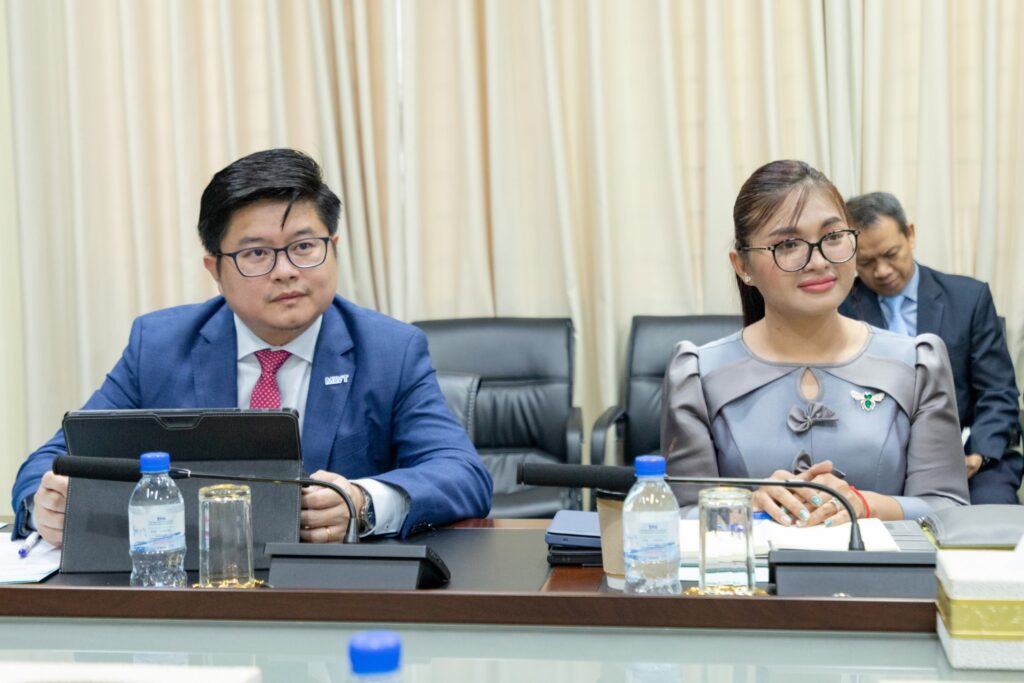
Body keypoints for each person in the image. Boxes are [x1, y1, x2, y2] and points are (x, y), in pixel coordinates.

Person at [12, 148, 493, 546]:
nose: (285, 271)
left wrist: (363, 503)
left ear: (334, 247)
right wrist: (43, 505)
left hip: (336, 593)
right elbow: (53, 460)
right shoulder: (158, 346)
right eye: (256, 253)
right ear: (216, 270)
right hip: (195, 595)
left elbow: (462, 474)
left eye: (304, 246)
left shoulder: (390, 350)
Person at [662, 160, 968, 526]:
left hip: (881, 566)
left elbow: (947, 509)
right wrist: (744, 505)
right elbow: (677, 517)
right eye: (788, 244)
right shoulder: (699, 375)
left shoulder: (916, 364)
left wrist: (865, 505)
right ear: (742, 266)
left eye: (833, 236)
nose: (819, 261)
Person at [839, 192, 1022, 505]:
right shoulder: (841, 310)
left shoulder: (968, 299)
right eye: (866, 263)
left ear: (910, 235)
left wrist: (977, 456)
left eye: (891, 254)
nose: (882, 271)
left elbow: (997, 392)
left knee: (992, 519)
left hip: (967, 455)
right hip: (877, 461)